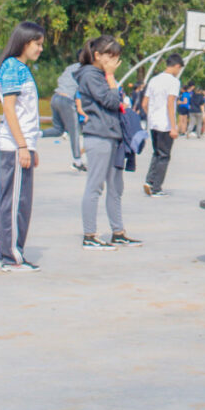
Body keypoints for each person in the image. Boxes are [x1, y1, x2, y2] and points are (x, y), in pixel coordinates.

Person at [75, 35, 141, 250]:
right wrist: (111, 77)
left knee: (116, 187)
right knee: (95, 186)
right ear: (97, 55)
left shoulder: (101, 75)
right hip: (99, 135)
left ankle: (118, 231)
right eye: (110, 56)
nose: (114, 61)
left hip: (113, 136)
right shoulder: (90, 75)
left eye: (117, 57)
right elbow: (112, 101)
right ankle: (90, 235)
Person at [0, 21, 46, 270]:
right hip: (14, 145)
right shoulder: (12, 68)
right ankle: (10, 257)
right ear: (25, 42)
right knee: (13, 202)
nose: (40, 49)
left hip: (23, 145)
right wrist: (22, 146)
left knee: (20, 202)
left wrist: (30, 147)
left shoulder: (21, 69)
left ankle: (11, 252)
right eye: (38, 44)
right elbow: (10, 110)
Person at [142, 54, 184, 198]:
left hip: (153, 123)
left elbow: (144, 103)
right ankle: (156, 187)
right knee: (164, 156)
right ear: (177, 66)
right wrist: (173, 126)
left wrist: (151, 117)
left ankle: (149, 181)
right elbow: (170, 103)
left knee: (157, 153)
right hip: (165, 124)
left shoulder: (154, 80)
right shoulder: (173, 82)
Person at [41, 62, 86, 172]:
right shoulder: (85, 69)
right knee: (74, 131)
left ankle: (35, 134)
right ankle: (77, 162)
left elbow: (60, 79)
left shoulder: (70, 67)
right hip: (67, 100)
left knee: (58, 130)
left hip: (55, 97)